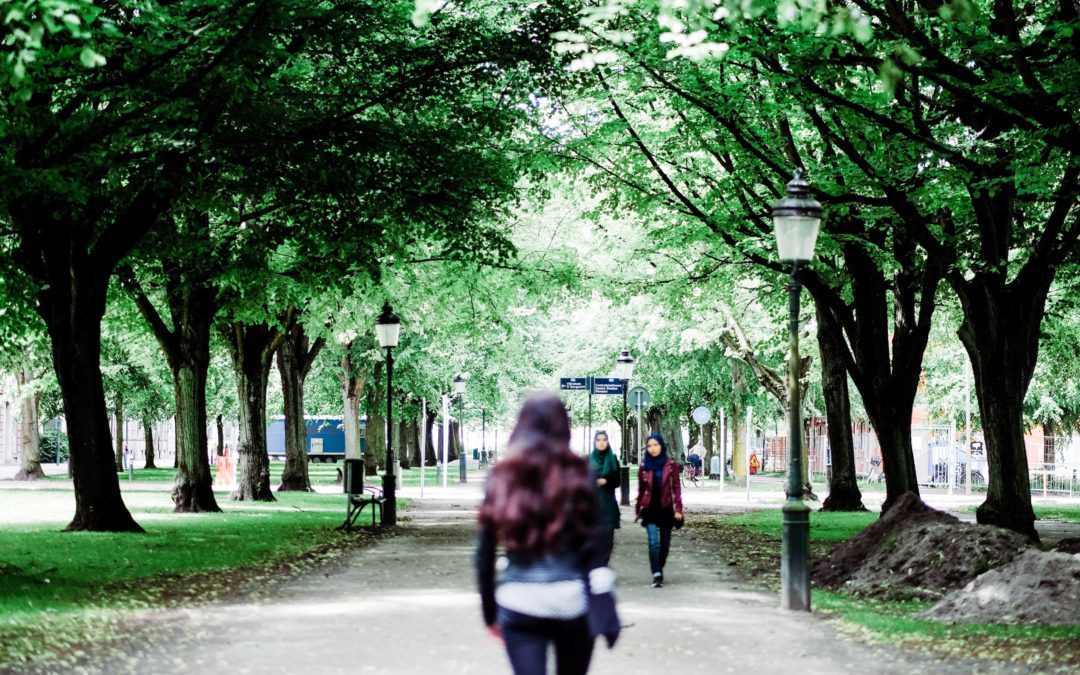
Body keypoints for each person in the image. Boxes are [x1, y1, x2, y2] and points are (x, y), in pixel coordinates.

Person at [476, 394, 619, 675]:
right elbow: (596, 546)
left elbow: (484, 553)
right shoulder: (580, 474)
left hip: (520, 599)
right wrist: (604, 603)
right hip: (571, 600)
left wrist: (491, 613)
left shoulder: (502, 476)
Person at [635, 433, 683, 588]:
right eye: (649, 446)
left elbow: (676, 487)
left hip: (666, 508)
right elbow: (641, 490)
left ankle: (659, 567)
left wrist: (679, 508)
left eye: (655, 445)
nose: (652, 448)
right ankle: (656, 573)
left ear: (661, 446)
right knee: (653, 542)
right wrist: (638, 510)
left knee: (665, 545)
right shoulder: (644, 466)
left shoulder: (670, 464)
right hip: (649, 509)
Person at [589, 430, 621, 564]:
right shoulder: (588, 461)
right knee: (594, 538)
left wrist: (606, 481)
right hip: (592, 505)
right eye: (598, 440)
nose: (601, 443)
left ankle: (603, 564)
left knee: (608, 538)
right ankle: (595, 565)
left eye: (604, 440)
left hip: (608, 503)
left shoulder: (613, 459)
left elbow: (617, 482)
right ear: (595, 442)